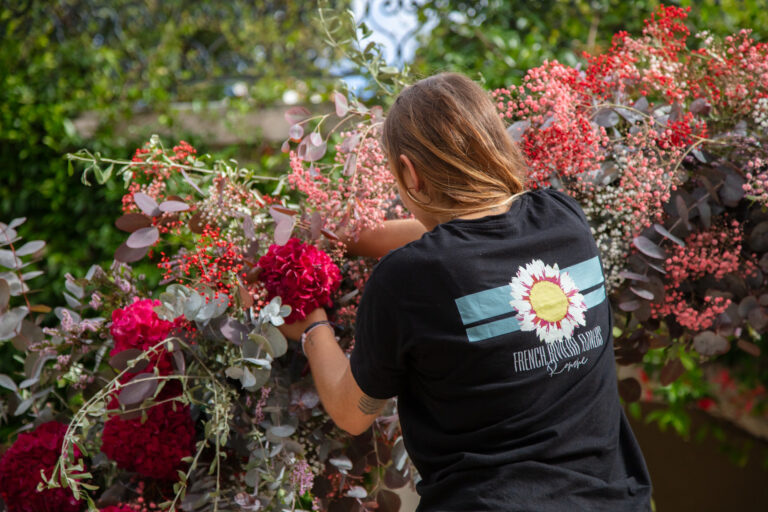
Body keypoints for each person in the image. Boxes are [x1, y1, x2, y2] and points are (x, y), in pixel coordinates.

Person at [279, 72, 653, 511]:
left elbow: (351, 412)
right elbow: (472, 233)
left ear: (409, 172)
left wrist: (311, 326)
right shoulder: (564, 219)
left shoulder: (406, 280)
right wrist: (349, 237)